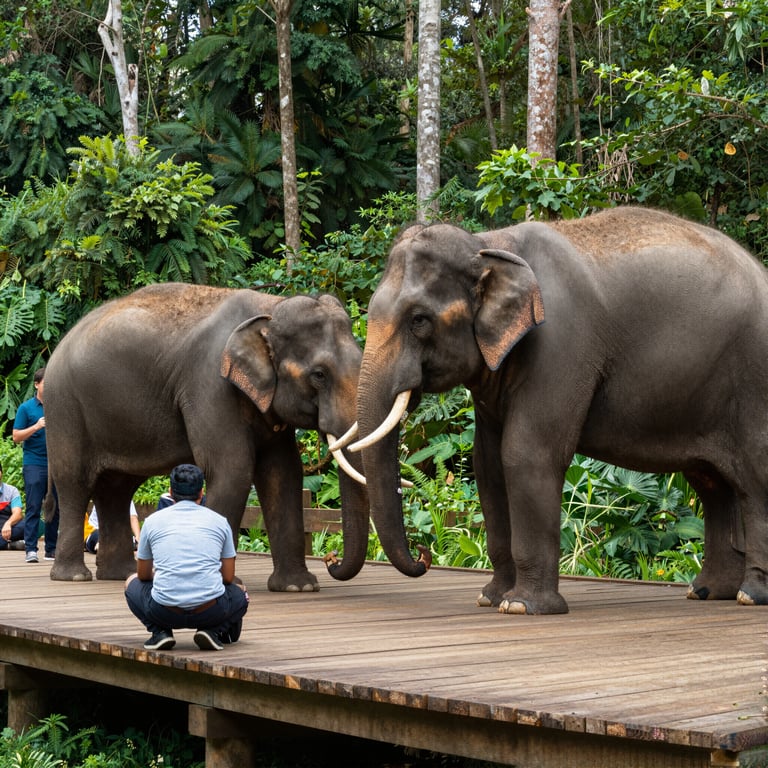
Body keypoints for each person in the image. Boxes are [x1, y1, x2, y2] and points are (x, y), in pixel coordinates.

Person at [124, 464, 249, 651]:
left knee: (130, 582)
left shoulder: (152, 522)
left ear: (170, 492)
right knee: (241, 593)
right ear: (201, 492)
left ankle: (159, 632)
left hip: (163, 611)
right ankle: (212, 631)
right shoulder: (219, 521)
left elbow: (142, 575)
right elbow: (228, 577)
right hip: (210, 611)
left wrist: (163, 574)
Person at [12, 367, 59, 563]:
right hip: (34, 464)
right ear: (37, 384)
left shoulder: (58, 406)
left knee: (55, 507)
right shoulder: (26, 408)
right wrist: (36, 426)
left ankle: (51, 549)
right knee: (33, 506)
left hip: (56, 464)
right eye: (46, 383)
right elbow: (16, 436)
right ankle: (31, 549)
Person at [0, 461, 26, 551]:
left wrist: (8, 524)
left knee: (27, 525)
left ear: (1, 473)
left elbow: (18, 514)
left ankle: (3, 542)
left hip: (10, 527)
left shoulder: (11, 490)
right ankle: (10, 545)